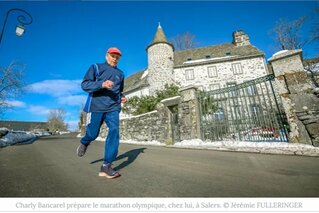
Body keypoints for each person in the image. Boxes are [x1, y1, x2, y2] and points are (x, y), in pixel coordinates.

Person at [77, 47, 127, 179]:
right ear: (107, 55)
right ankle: (85, 142)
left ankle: (106, 166)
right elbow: (85, 85)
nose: (115, 59)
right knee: (93, 133)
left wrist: (122, 96)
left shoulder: (120, 74)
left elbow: (119, 90)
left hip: (113, 108)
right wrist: (102, 84)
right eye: (113, 56)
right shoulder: (96, 67)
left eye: (117, 57)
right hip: (96, 106)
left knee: (114, 130)